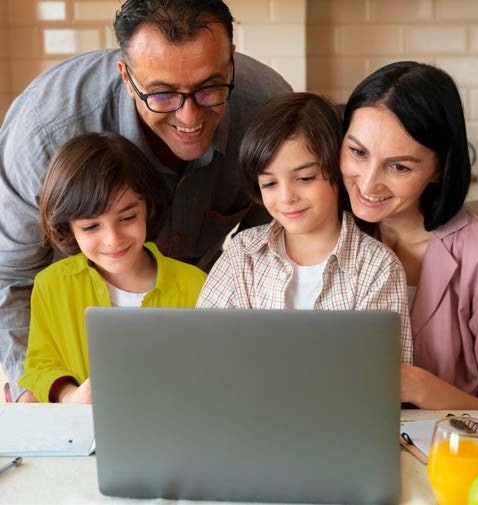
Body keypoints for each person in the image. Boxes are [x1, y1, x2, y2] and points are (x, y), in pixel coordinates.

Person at [0, 0, 291, 401]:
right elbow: (8, 277)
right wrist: (35, 393)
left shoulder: (267, 114)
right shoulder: (44, 131)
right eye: (163, 95)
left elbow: (275, 254)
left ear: (232, 62)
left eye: (210, 88)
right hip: (77, 361)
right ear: (125, 74)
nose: (190, 118)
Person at [341, 61, 478, 411]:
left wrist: (418, 387)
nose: (368, 183)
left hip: (451, 453)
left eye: (399, 166)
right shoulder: (325, 233)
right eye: (358, 152)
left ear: (439, 169)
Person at [197, 92, 413, 364]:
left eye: (305, 178)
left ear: (338, 169)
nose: (287, 197)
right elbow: (204, 350)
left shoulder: (377, 267)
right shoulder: (242, 255)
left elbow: (385, 377)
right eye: (270, 184)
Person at [18, 132, 207, 403]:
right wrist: (72, 396)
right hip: (85, 436)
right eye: (91, 226)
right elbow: (40, 365)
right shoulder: (52, 285)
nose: (113, 239)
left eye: (127, 217)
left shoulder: (196, 285)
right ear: (68, 227)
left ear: (148, 208)